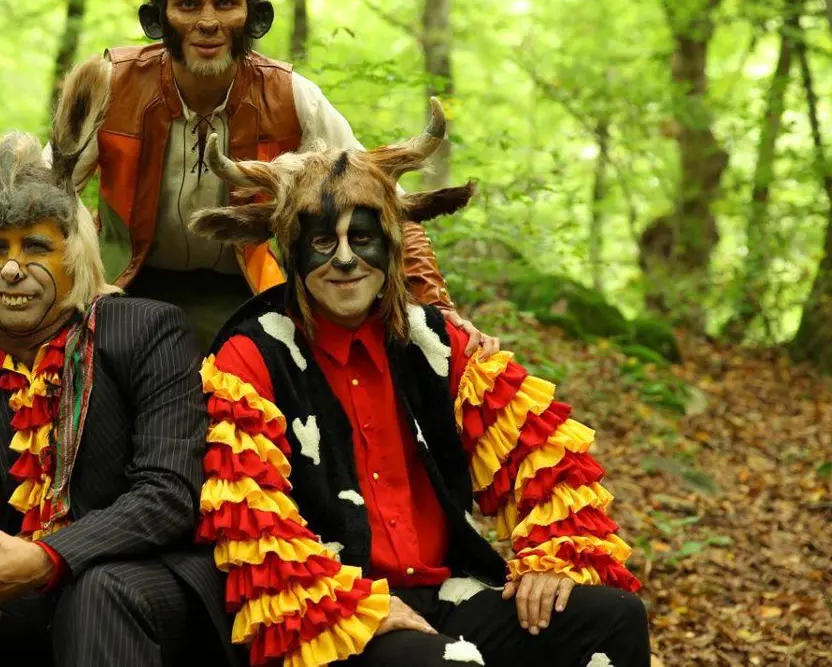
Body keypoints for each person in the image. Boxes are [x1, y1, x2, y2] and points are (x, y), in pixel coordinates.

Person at [188, 100, 650, 666]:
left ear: (390, 244)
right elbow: (250, 516)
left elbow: (545, 456)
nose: (345, 261)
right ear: (293, 249)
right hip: (336, 615)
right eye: (323, 243)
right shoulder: (251, 355)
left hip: (449, 593)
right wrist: (350, 605)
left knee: (614, 618)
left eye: (362, 239)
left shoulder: (435, 342)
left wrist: (553, 557)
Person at [0, 0, 496, 372]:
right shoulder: (114, 86)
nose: (207, 21)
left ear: (254, 17)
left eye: (225, 3)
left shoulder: (290, 95)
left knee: (273, 386)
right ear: (158, 19)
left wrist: (436, 308)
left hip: (250, 290)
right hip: (121, 287)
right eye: (188, 4)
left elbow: (382, 200)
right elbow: (36, 202)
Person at [0, 65, 236, 666]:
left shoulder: (147, 330)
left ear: (74, 254)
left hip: (139, 585)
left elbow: (169, 496)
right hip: (21, 588)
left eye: (36, 247)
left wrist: (46, 558)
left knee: (97, 589)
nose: (11, 269)